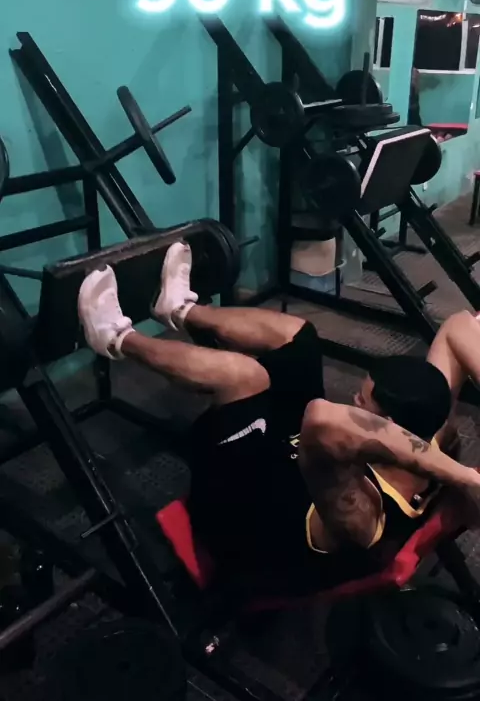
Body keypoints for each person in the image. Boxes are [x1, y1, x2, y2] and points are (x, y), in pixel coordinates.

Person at [78, 242, 480, 594]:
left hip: (240, 511)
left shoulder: (365, 516)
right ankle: (180, 309)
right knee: (300, 336)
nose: (353, 397)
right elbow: (459, 327)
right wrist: (466, 477)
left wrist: (465, 479)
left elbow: (323, 421)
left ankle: (114, 338)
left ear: (389, 424)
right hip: (293, 452)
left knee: (245, 377)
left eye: (363, 400)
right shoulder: (434, 430)